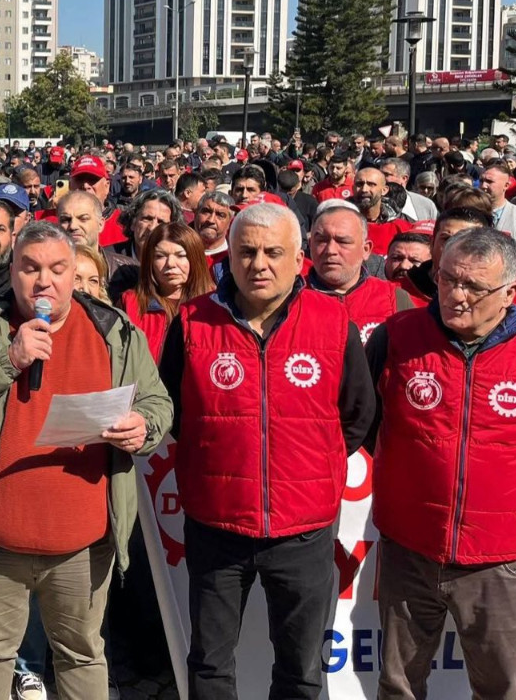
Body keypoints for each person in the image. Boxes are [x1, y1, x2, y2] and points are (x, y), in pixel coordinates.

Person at [0, 221, 172, 700]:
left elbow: (158, 402)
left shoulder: (113, 329)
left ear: (75, 272)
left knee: (80, 653)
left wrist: (143, 426)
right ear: (12, 270)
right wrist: (8, 359)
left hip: (83, 543)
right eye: (30, 268)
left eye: (58, 269)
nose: (44, 281)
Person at [157, 203, 375, 700]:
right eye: (247, 251)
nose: (259, 264)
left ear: (299, 258)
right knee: (209, 662)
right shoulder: (192, 321)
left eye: (273, 252)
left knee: (300, 667)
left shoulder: (332, 320)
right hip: (217, 525)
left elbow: (357, 415)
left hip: (304, 529)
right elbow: (173, 411)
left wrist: (309, 466)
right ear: (226, 257)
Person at [366, 228, 516, 700]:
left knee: (503, 688)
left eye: (475, 287)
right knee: (398, 686)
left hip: (500, 559)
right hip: (409, 548)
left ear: (510, 293)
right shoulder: (397, 337)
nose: (456, 295)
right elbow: (363, 422)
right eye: (448, 279)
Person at [306, 204, 414, 344]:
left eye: (343, 241)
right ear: (310, 244)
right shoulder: (287, 299)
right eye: (321, 240)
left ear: (366, 249)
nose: (330, 250)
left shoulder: (395, 299)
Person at [121, 224, 214, 362]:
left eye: (180, 255)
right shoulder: (130, 303)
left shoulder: (216, 303)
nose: (170, 263)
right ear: (150, 262)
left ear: (195, 259)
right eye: (160, 256)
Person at [400, 207, 495, 306]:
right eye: (446, 239)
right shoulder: (397, 293)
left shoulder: (500, 297)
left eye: (468, 241)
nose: (454, 248)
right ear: (432, 244)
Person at [480, 162, 516, 239]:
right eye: (481, 181)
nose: (483, 186)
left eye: (489, 181)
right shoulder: (469, 211)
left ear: (506, 186)